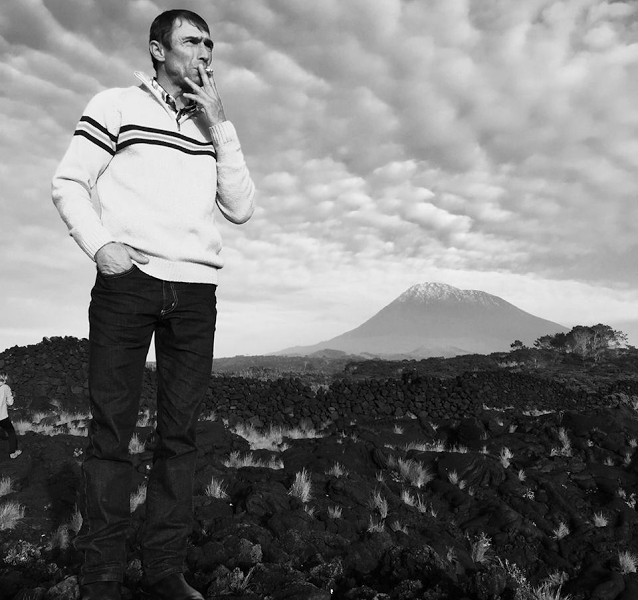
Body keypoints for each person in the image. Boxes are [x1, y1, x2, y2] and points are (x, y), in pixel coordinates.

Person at [51, 9, 255, 600]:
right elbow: (69, 181)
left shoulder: (211, 125)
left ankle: (164, 570)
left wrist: (221, 125)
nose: (205, 52)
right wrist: (101, 247)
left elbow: (240, 208)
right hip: (128, 284)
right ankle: (102, 577)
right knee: (110, 434)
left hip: (195, 293)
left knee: (180, 437)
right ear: (157, 49)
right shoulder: (116, 106)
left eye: (210, 43)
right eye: (192, 41)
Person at [0, 374, 21, 459]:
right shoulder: (5, 388)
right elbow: (10, 403)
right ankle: (13, 452)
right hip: (2, 416)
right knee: (11, 432)